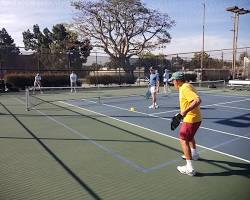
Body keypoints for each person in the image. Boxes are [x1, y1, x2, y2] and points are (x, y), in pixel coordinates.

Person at [168, 71, 202, 176]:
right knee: (189, 136)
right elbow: (189, 102)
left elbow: (197, 100)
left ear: (178, 81)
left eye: (173, 81)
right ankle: (195, 154)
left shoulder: (184, 88)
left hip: (191, 119)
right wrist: (181, 112)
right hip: (196, 118)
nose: (172, 83)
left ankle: (190, 168)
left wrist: (184, 112)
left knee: (183, 139)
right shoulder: (188, 85)